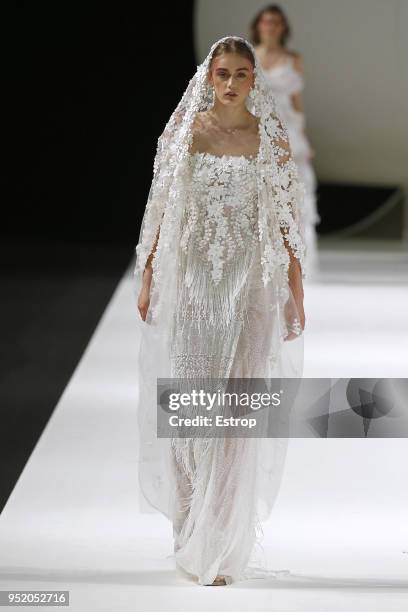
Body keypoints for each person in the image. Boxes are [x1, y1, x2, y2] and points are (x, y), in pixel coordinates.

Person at [132, 35, 306, 586]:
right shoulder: (187, 132)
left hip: (251, 283)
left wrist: (295, 291)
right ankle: (190, 525)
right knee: (189, 406)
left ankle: (222, 540)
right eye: (222, 73)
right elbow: (161, 204)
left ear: (255, 81)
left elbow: (286, 220)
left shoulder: (269, 139)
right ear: (208, 78)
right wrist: (150, 272)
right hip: (196, 286)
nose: (230, 84)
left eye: (241, 75)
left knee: (236, 414)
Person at [250, 4, 321, 280]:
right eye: (266, 22)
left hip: (288, 130)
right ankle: (261, 251)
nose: (271, 27)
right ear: (258, 25)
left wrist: (303, 137)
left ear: (283, 27)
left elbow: (296, 101)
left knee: (295, 188)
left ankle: (295, 251)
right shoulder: (250, 56)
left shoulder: (293, 58)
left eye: (276, 22)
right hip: (256, 127)